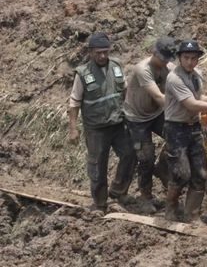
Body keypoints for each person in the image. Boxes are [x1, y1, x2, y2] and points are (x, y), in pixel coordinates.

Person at [68, 32, 136, 213]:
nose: (102, 56)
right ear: (90, 52)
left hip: (118, 123)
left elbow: (125, 91)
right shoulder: (83, 73)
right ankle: (99, 203)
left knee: (130, 154)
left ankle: (119, 190)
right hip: (96, 128)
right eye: (98, 52)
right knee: (98, 165)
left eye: (105, 52)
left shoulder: (116, 66)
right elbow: (74, 102)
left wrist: (130, 114)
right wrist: (73, 128)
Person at [164, 39, 207, 222]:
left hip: (193, 127)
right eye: (186, 58)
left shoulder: (196, 75)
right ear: (179, 58)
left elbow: (198, 97)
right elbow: (191, 104)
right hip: (176, 128)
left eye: (194, 58)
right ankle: (170, 208)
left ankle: (192, 214)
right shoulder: (174, 78)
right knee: (181, 174)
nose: (190, 62)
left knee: (200, 173)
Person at [123, 37, 177, 214]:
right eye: (163, 59)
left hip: (156, 114)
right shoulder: (142, 69)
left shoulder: (169, 68)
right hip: (137, 118)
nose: (165, 63)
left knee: (177, 137)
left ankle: (162, 167)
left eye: (168, 59)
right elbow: (160, 98)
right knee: (145, 157)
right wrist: (187, 104)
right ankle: (145, 197)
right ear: (154, 53)